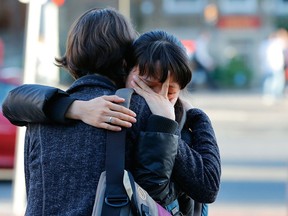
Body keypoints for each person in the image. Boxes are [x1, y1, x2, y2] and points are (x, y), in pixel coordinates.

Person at [3, 16, 220, 216]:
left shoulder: (43, 114)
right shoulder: (139, 111)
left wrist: (72, 108)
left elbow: (13, 103)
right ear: (126, 61)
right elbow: (202, 186)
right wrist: (192, 115)